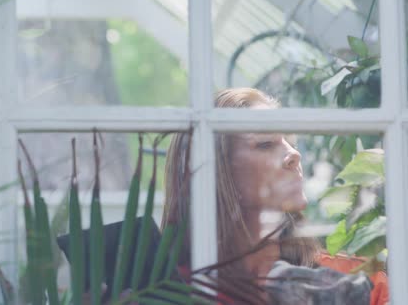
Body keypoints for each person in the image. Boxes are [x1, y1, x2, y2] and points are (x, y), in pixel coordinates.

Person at [161, 88, 388, 304]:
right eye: (266, 144)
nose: (294, 154)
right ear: (214, 168)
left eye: (290, 142)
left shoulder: (357, 283)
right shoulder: (165, 295)